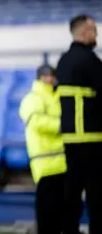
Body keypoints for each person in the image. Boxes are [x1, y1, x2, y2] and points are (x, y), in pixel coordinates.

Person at [56, 14, 102, 234]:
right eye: (94, 30)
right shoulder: (90, 61)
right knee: (96, 194)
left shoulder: (63, 61)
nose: (97, 34)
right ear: (84, 32)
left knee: (71, 191)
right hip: (92, 137)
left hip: (70, 138)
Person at [19, 64, 73, 234]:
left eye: (52, 76)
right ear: (40, 78)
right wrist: (65, 126)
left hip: (64, 162)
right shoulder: (33, 98)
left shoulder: (58, 96)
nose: (50, 79)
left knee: (64, 211)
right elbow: (37, 123)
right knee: (47, 212)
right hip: (46, 163)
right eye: (47, 76)